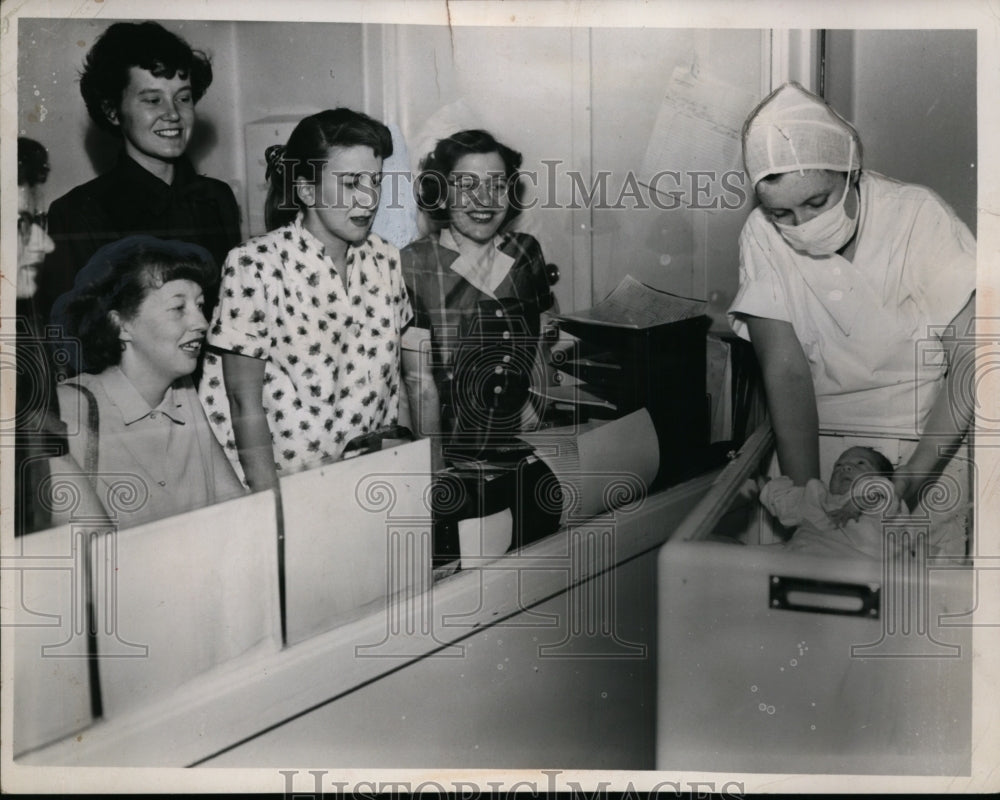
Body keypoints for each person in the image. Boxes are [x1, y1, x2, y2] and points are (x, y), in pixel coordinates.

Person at [727, 82, 976, 532]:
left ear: (852, 173)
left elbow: (973, 359)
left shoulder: (917, 217)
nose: (801, 226)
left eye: (817, 202)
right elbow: (786, 373)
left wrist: (913, 480)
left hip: (929, 436)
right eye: (781, 213)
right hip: (818, 437)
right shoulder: (760, 236)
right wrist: (809, 497)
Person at [198, 108, 416, 491]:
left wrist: (412, 476)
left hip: (371, 483)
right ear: (306, 189)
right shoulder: (254, 266)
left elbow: (397, 386)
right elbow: (242, 402)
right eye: (351, 183)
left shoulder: (386, 259)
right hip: (286, 488)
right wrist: (272, 509)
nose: (368, 198)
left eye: (375, 182)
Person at [35, 21, 241, 322]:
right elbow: (76, 337)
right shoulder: (77, 213)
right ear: (112, 111)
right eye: (152, 100)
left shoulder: (217, 198)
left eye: (183, 98)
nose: (173, 114)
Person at [54, 236, 245, 529]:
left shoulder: (184, 395)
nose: (203, 323)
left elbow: (236, 509)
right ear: (122, 324)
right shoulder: (68, 409)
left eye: (201, 305)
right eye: (179, 308)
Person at [400, 129, 556, 462]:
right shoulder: (414, 264)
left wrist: (537, 409)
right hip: (453, 452)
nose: (485, 200)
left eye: (497, 186)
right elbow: (419, 383)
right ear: (441, 196)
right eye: (468, 186)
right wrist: (436, 470)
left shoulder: (526, 254)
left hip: (524, 442)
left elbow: (542, 342)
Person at [12, 138, 108, 535]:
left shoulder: (23, 335)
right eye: (22, 225)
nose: (45, 244)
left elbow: (54, 460)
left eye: (40, 223)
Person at [759, 446, 903, 559]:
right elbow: (785, 502)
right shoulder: (818, 495)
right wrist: (765, 485)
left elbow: (885, 491)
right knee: (748, 555)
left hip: (856, 563)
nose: (845, 467)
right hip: (802, 559)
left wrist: (856, 504)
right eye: (838, 466)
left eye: (861, 463)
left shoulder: (882, 501)